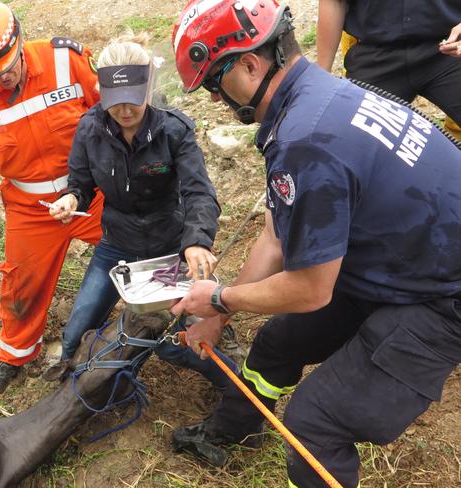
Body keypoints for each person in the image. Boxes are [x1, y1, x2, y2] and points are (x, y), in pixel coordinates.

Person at [169, 0, 461, 485]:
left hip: (442, 296)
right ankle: (235, 428)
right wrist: (218, 316)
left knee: (315, 424)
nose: (217, 100)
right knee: (278, 342)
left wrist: (219, 296)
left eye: (216, 84)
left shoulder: (305, 139)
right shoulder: (316, 95)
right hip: (404, 257)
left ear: (248, 63)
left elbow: (311, 289)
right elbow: (275, 235)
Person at [43, 31, 238, 387]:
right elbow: (81, 184)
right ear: (103, 93)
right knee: (76, 330)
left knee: (184, 339)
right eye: (115, 101)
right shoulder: (89, 129)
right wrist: (72, 199)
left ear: (148, 87)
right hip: (117, 245)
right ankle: (72, 379)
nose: (125, 110)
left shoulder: (173, 130)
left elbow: (199, 193)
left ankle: (235, 379)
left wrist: (197, 241)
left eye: (133, 99)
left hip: (170, 243)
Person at [0, 0, 103, 394]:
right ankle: (15, 354)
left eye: (6, 70)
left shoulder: (64, 59)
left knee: (147, 244)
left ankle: (186, 312)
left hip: (92, 191)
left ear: (19, 44)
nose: (0, 81)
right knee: (20, 287)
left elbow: (113, 114)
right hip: (30, 208)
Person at [316, 0, 461, 140]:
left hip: (448, 48)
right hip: (375, 54)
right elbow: (335, 2)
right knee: (352, 139)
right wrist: (322, 78)